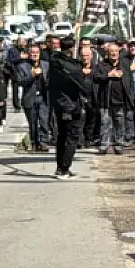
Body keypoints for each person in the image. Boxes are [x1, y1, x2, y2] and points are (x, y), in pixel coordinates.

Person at [47, 37, 91, 179]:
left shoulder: (54, 61)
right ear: (72, 49)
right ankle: (64, 169)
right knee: (72, 137)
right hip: (71, 106)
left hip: (59, 105)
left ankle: (60, 167)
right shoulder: (73, 67)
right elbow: (84, 87)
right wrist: (84, 75)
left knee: (62, 136)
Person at [95, 41, 131, 154]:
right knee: (105, 123)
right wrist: (108, 75)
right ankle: (104, 145)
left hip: (120, 100)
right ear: (107, 53)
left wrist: (131, 95)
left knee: (120, 123)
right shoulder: (102, 65)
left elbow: (130, 80)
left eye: (116, 51)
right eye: (111, 51)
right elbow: (96, 77)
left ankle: (119, 144)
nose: (114, 53)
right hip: (106, 100)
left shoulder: (124, 64)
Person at [17, 43, 51, 152]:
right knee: (33, 123)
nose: (35, 55)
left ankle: (44, 142)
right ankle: (34, 143)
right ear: (28, 54)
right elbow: (20, 82)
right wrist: (31, 76)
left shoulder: (46, 65)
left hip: (43, 97)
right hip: (29, 98)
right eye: (32, 53)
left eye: (37, 53)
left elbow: (50, 80)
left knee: (44, 121)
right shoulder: (22, 66)